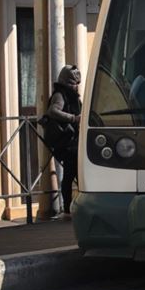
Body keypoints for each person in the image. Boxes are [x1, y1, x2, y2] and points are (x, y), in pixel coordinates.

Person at [43, 65, 82, 218]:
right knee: (70, 173)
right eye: (73, 83)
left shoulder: (71, 95)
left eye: (77, 83)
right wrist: (73, 118)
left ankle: (69, 208)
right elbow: (53, 111)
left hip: (73, 140)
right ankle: (67, 209)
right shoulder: (60, 94)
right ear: (65, 82)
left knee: (74, 172)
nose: (76, 86)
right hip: (66, 142)